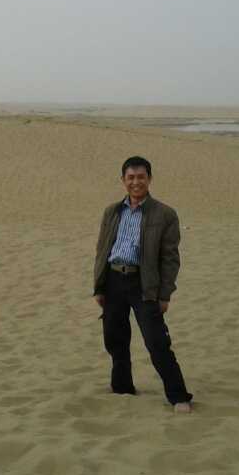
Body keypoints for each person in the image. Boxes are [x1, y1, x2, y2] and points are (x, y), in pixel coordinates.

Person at [93, 156, 193, 413]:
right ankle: (122, 387)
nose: (135, 182)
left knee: (156, 341)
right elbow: (102, 249)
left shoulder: (165, 214)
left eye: (141, 177)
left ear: (149, 179)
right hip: (114, 280)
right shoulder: (112, 212)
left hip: (144, 284)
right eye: (131, 177)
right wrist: (99, 286)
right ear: (123, 180)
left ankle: (178, 396)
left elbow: (170, 259)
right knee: (114, 338)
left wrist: (165, 294)